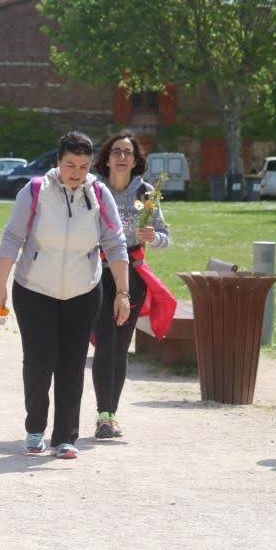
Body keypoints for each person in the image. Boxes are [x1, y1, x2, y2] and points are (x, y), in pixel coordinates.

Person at [0, 132, 130, 460]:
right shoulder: (35, 191)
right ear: (57, 162)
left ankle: (66, 436)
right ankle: (35, 428)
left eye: (83, 166)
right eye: (70, 165)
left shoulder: (99, 194)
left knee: (72, 362)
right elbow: (12, 237)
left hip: (83, 290)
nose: (76, 172)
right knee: (40, 360)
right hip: (34, 289)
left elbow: (115, 243)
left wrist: (122, 292)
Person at [91, 131, 172, 439]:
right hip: (98, 274)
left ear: (136, 160)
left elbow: (165, 236)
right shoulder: (94, 189)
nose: (122, 157)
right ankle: (103, 416)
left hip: (133, 277)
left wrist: (154, 237)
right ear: (107, 158)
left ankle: (111, 415)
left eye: (128, 152)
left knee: (120, 348)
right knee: (105, 343)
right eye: (116, 151)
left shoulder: (146, 194)